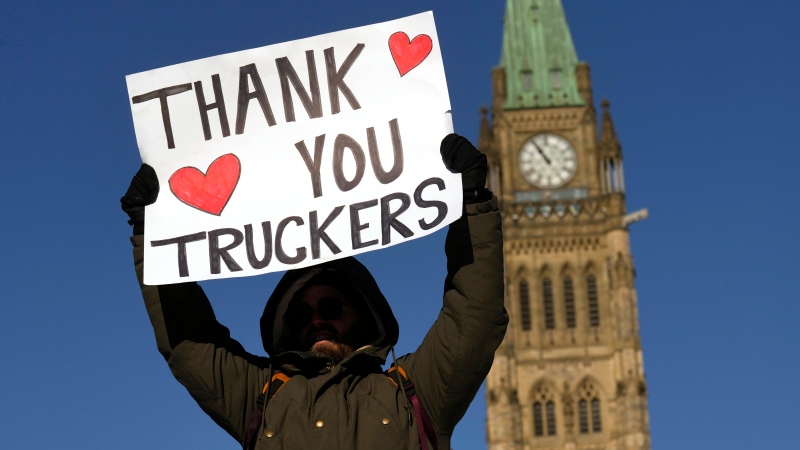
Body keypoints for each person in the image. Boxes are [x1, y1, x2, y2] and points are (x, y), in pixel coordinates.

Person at [121, 134, 507, 450]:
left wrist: (471, 207)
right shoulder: (261, 398)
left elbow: (474, 316)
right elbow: (190, 344)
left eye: (330, 307)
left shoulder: (413, 392)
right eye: (301, 315)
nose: (317, 320)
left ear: (362, 312)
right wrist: (154, 236)